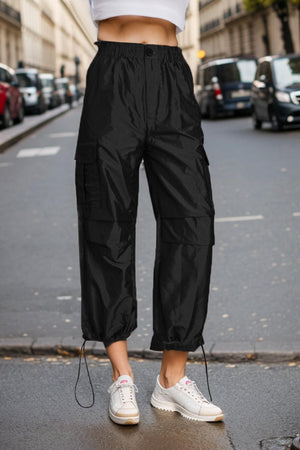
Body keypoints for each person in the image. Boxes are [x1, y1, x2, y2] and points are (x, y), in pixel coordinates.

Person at [74, 0, 224, 425]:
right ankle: (122, 377)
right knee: (107, 223)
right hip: (112, 77)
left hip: (171, 77)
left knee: (193, 221)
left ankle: (171, 379)